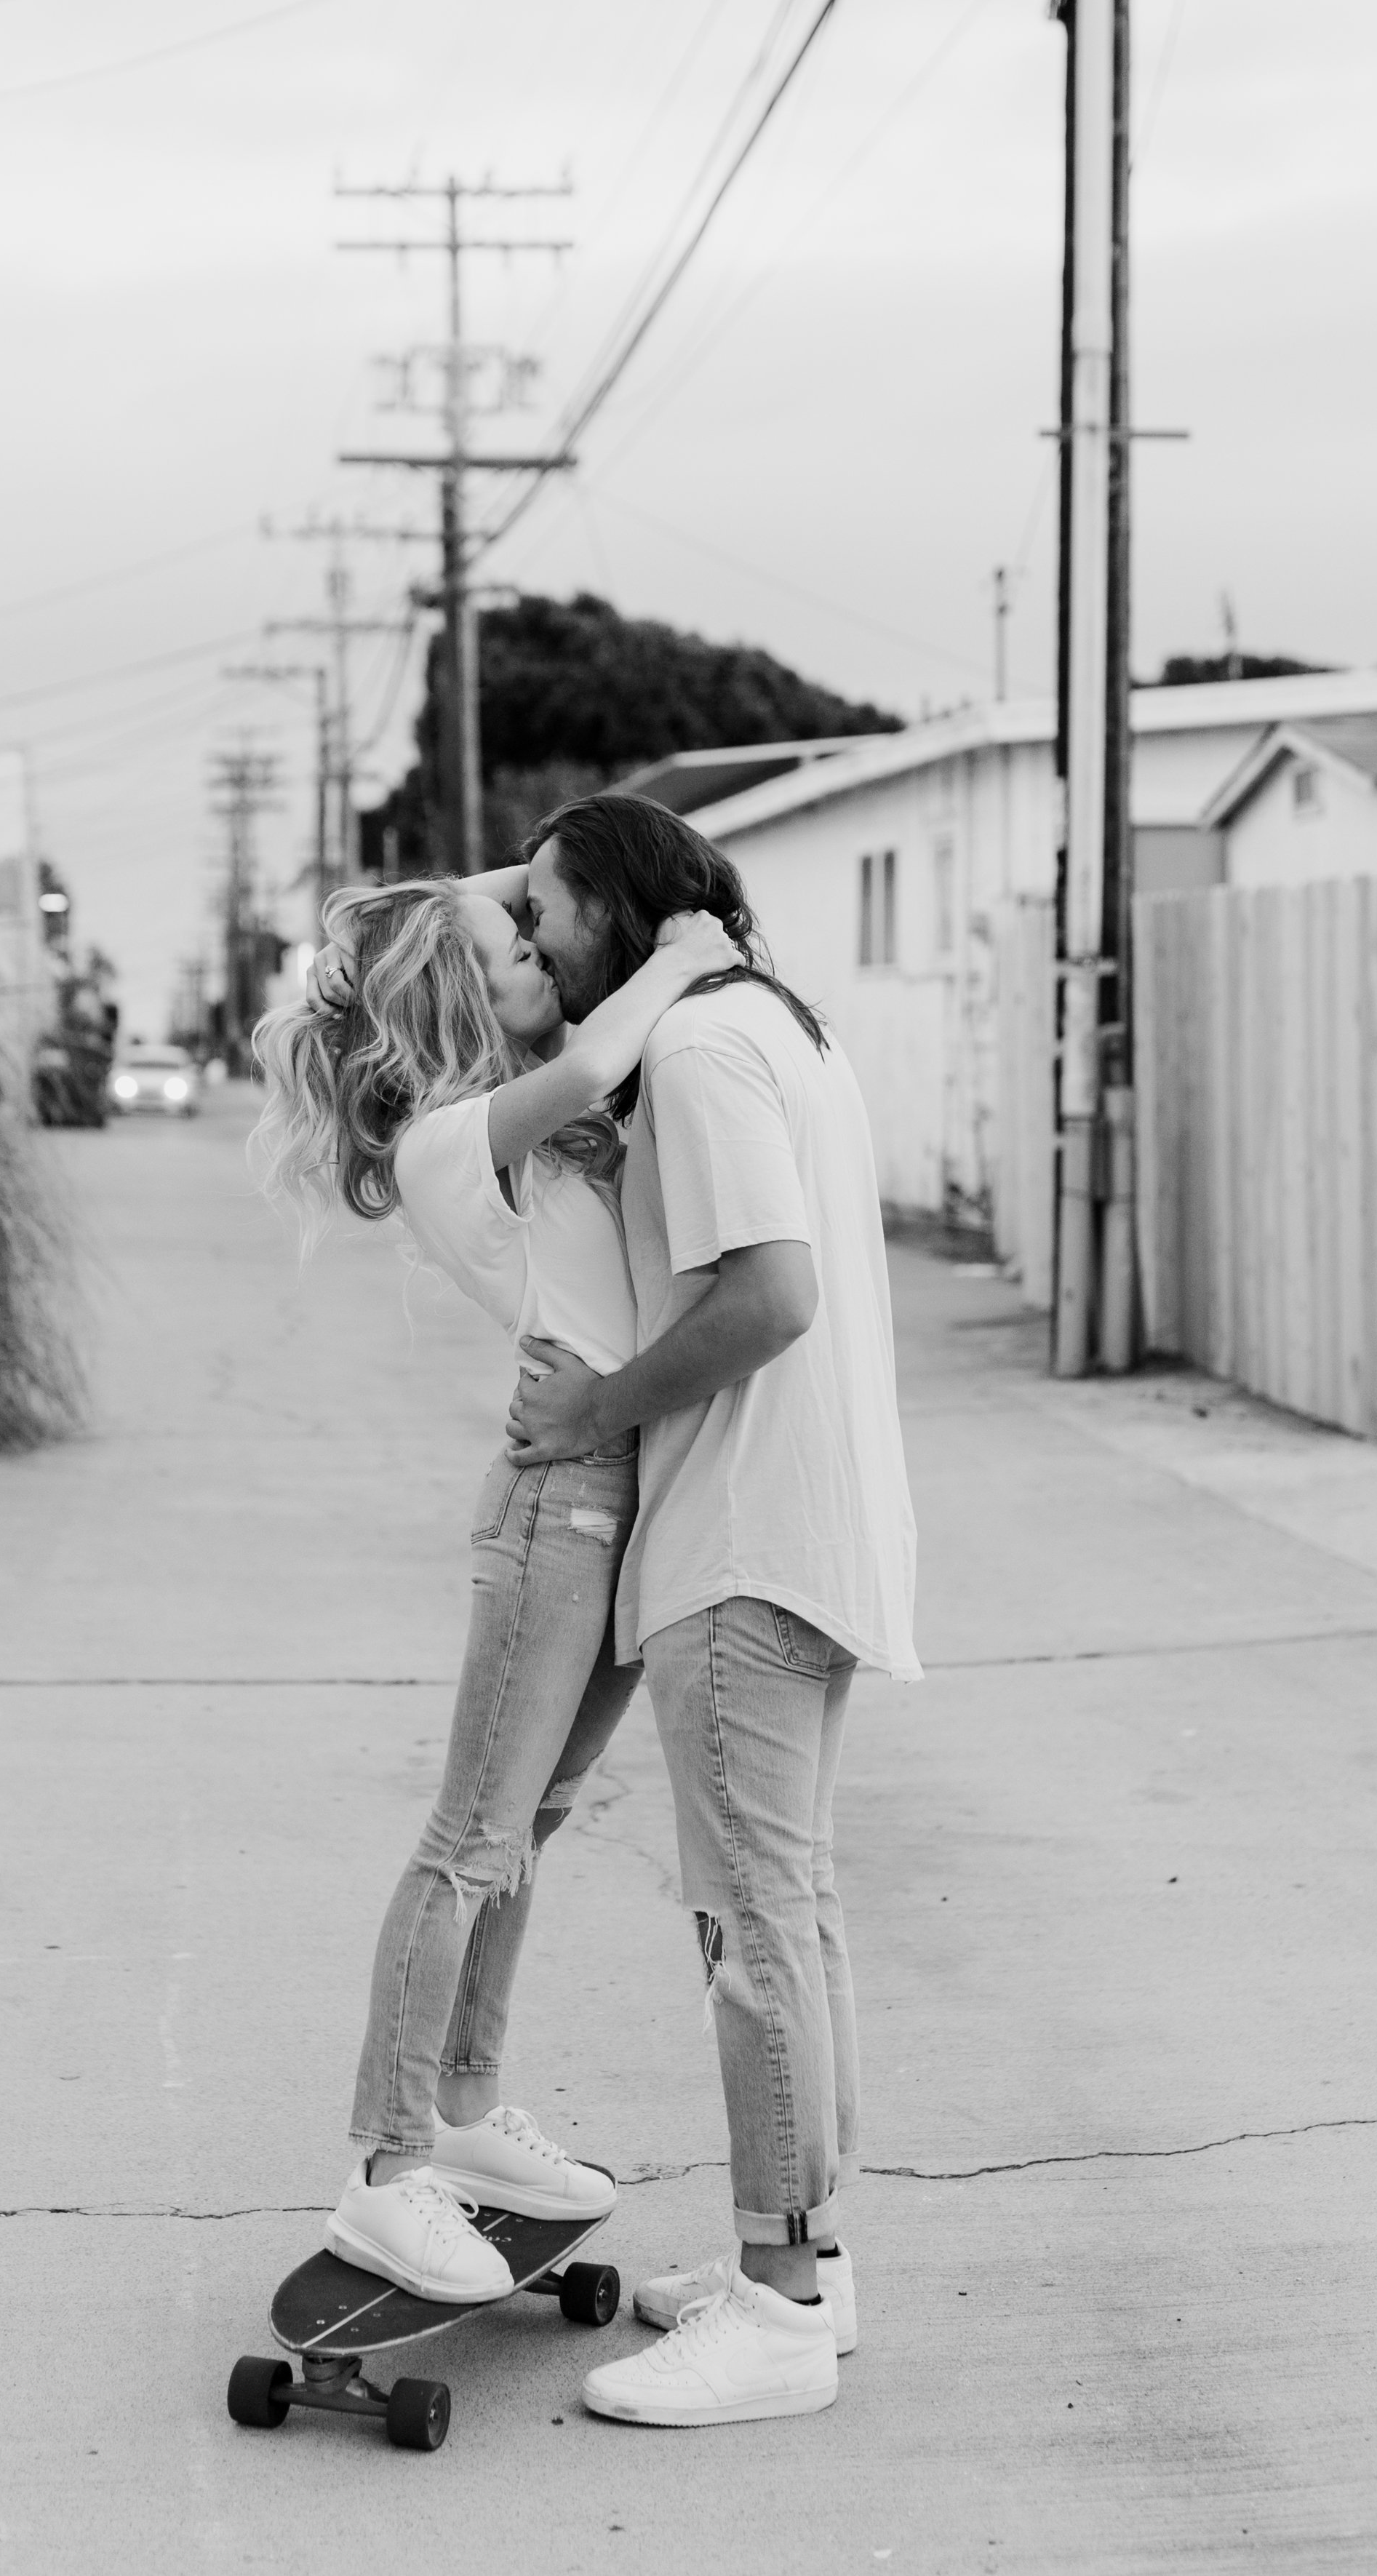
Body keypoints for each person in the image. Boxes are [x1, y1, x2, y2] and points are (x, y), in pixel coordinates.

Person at [250, 870, 738, 2305]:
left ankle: (461, 2109)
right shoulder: (444, 1141)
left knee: (529, 1826)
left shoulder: (533, 1127)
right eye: (502, 939)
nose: (530, 948)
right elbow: (596, 1054)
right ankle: (392, 2160)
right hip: (554, 1514)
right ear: (447, 988)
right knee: (469, 1835)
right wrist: (693, 952)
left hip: (619, 1494)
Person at [504, 793, 921, 2428]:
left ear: (615, 909)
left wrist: (598, 1404)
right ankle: (806, 2265)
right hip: (806, 1532)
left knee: (752, 1935)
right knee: (791, 1922)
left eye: (543, 909)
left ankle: (776, 2315)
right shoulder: (771, 1024)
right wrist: (669, 954)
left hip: (743, 1545)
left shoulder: (693, 1053)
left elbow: (767, 1293)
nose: (525, 940)